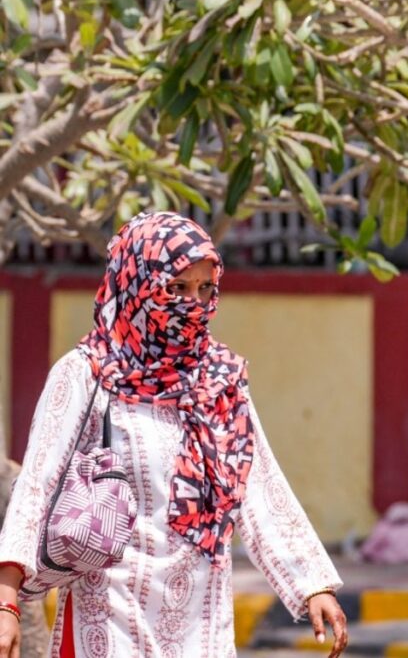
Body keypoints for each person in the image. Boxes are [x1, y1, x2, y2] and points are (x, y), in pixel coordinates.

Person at [0, 213, 348, 658]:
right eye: (177, 289)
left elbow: (258, 485)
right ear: (137, 283)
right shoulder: (87, 373)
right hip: (106, 615)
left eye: (204, 289)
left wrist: (312, 585)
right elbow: (37, 484)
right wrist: (8, 597)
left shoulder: (218, 381)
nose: (193, 304)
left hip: (200, 620)